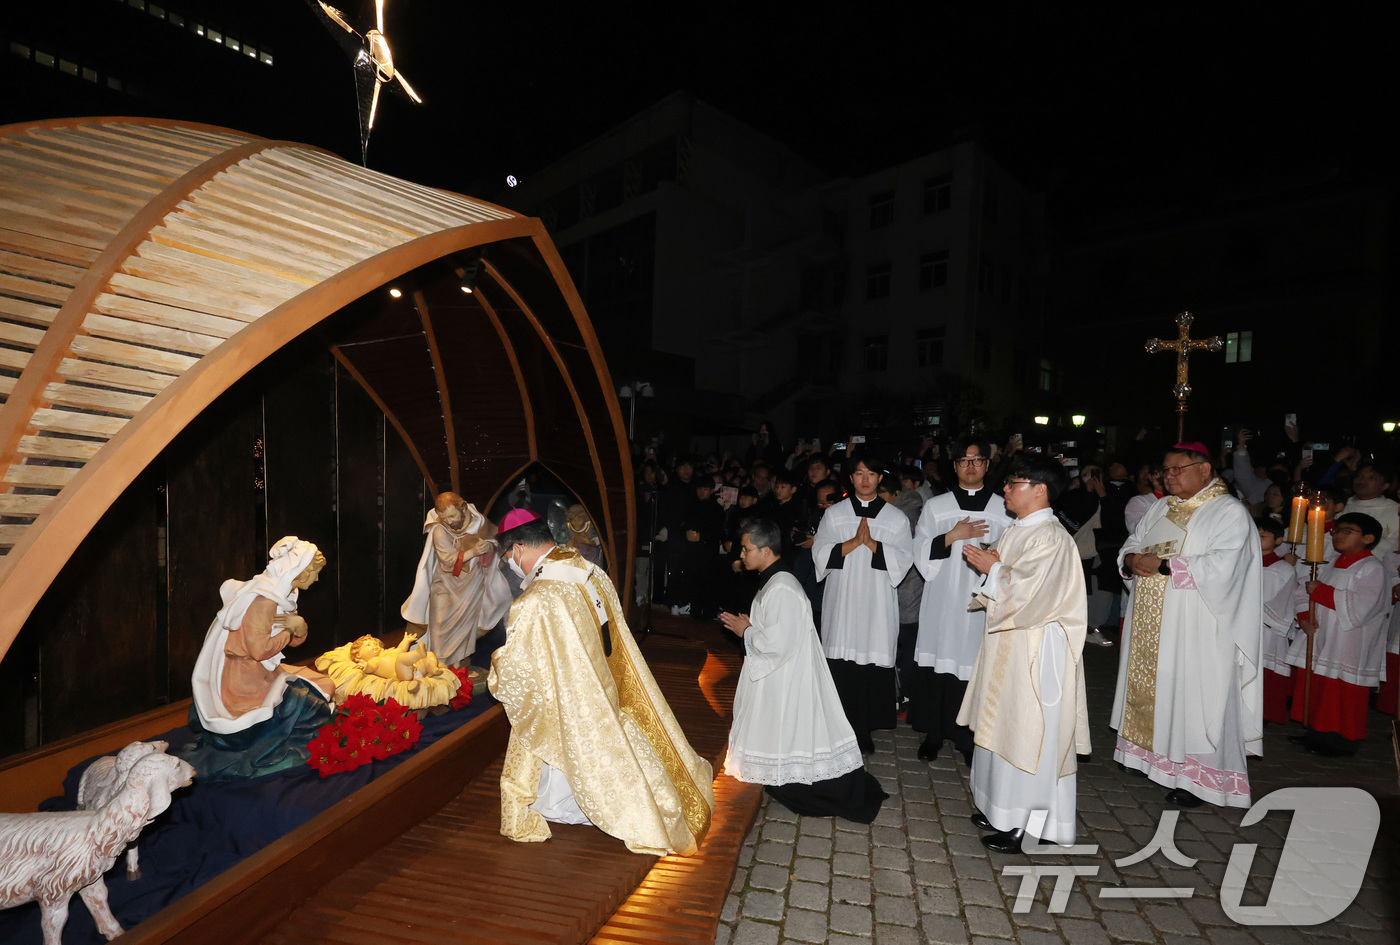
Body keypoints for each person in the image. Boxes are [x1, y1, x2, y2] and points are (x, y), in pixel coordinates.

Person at [488, 517, 714, 855]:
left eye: (508, 555)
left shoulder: (537, 598)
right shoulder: (585, 568)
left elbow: (519, 669)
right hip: (604, 678)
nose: (509, 563)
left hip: (572, 693)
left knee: (551, 734)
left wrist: (496, 666)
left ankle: (571, 805)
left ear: (518, 548)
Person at [1111, 443, 1263, 809]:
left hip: (1199, 624)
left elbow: (1226, 565)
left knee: (1198, 697)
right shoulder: (1161, 506)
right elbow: (1133, 542)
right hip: (1155, 618)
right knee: (1162, 687)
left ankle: (1200, 779)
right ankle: (1151, 759)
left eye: (1178, 468)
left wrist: (1162, 565)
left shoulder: (1227, 511)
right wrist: (1131, 558)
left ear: (1205, 470)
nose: (1169, 476)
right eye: (1165, 469)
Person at [960, 454, 1091, 852]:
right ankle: (999, 806)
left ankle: (1031, 823)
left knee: (1029, 731)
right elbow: (1006, 577)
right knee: (1002, 725)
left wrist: (993, 569)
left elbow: (1034, 594)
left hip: (1037, 653)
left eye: (1012, 483)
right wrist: (993, 567)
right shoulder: (1020, 529)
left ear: (1040, 489)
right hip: (1011, 645)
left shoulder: (1051, 537)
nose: (1004, 489)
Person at [721, 519, 887, 822]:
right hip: (782, 671)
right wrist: (753, 626)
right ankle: (780, 772)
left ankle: (802, 782)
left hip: (787, 674)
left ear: (766, 550)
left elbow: (778, 643)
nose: (741, 555)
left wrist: (746, 631)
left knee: (793, 727)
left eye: (746, 549)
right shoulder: (774, 579)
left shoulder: (783, 587)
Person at [184, 536, 334, 779]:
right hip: (243, 681)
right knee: (308, 703)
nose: (316, 579)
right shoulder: (263, 601)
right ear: (299, 571)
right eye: (314, 572)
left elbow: (291, 638)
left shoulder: (284, 593)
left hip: (261, 671)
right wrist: (289, 629)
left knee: (320, 686)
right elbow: (260, 650)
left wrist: (299, 628)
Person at [909, 437, 1010, 764]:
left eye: (977, 460)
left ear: (986, 465)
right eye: (964, 461)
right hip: (943, 600)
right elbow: (920, 551)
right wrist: (951, 536)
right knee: (940, 664)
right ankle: (934, 734)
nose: (970, 466)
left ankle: (969, 740)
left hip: (983, 601)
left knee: (974, 667)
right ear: (954, 467)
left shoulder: (1003, 508)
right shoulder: (937, 507)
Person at [813, 451, 914, 753]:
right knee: (843, 663)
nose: (865, 479)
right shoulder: (835, 514)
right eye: (859, 473)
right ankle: (839, 727)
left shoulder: (895, 518)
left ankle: (864, 730)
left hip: (876, 604)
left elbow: (904, 559)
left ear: (880, 477)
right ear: (851, 477)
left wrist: (871, 544)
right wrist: (853, 542)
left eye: (871, 473)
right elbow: (819, 553)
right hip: (842, 600)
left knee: (870, 660)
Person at [1285, 512, 1388, 756]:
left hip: (1350, 644)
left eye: (1347, 531)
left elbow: (1362, 607)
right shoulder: (1329, 563)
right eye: (1337, 530)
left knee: (1341, 692)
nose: (1338, 535)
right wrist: (1304, 617)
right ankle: (1316, 734)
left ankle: (1341, 742)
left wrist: (1321, 591)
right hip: (1323, 636)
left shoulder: (1372, 568)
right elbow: (1303, 591)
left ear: (1368, 538)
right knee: (1320, 687)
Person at [402, 492, 512, 666]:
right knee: (438, 623)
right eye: (444, 518)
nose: (450, 521)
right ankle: (437, 664)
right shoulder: (439, 529)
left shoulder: (480, 523)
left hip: (471, 584)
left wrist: (488, 547)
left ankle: (458, 664)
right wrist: (474, 551)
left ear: (463, 507)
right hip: (444, 584)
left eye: (453, 516)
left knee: (465, 626)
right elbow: (447, 561)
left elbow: (498, 542)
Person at [1257, 517, 1299, 725]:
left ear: (1279, 540)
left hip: (1267, 629)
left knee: (1264, 674)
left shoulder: (1283, 568)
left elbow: (1267, 597)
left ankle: (1262, 715)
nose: (1256, 539)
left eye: (1262, 536)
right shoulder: (1241, 561)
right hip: (1244, 627)